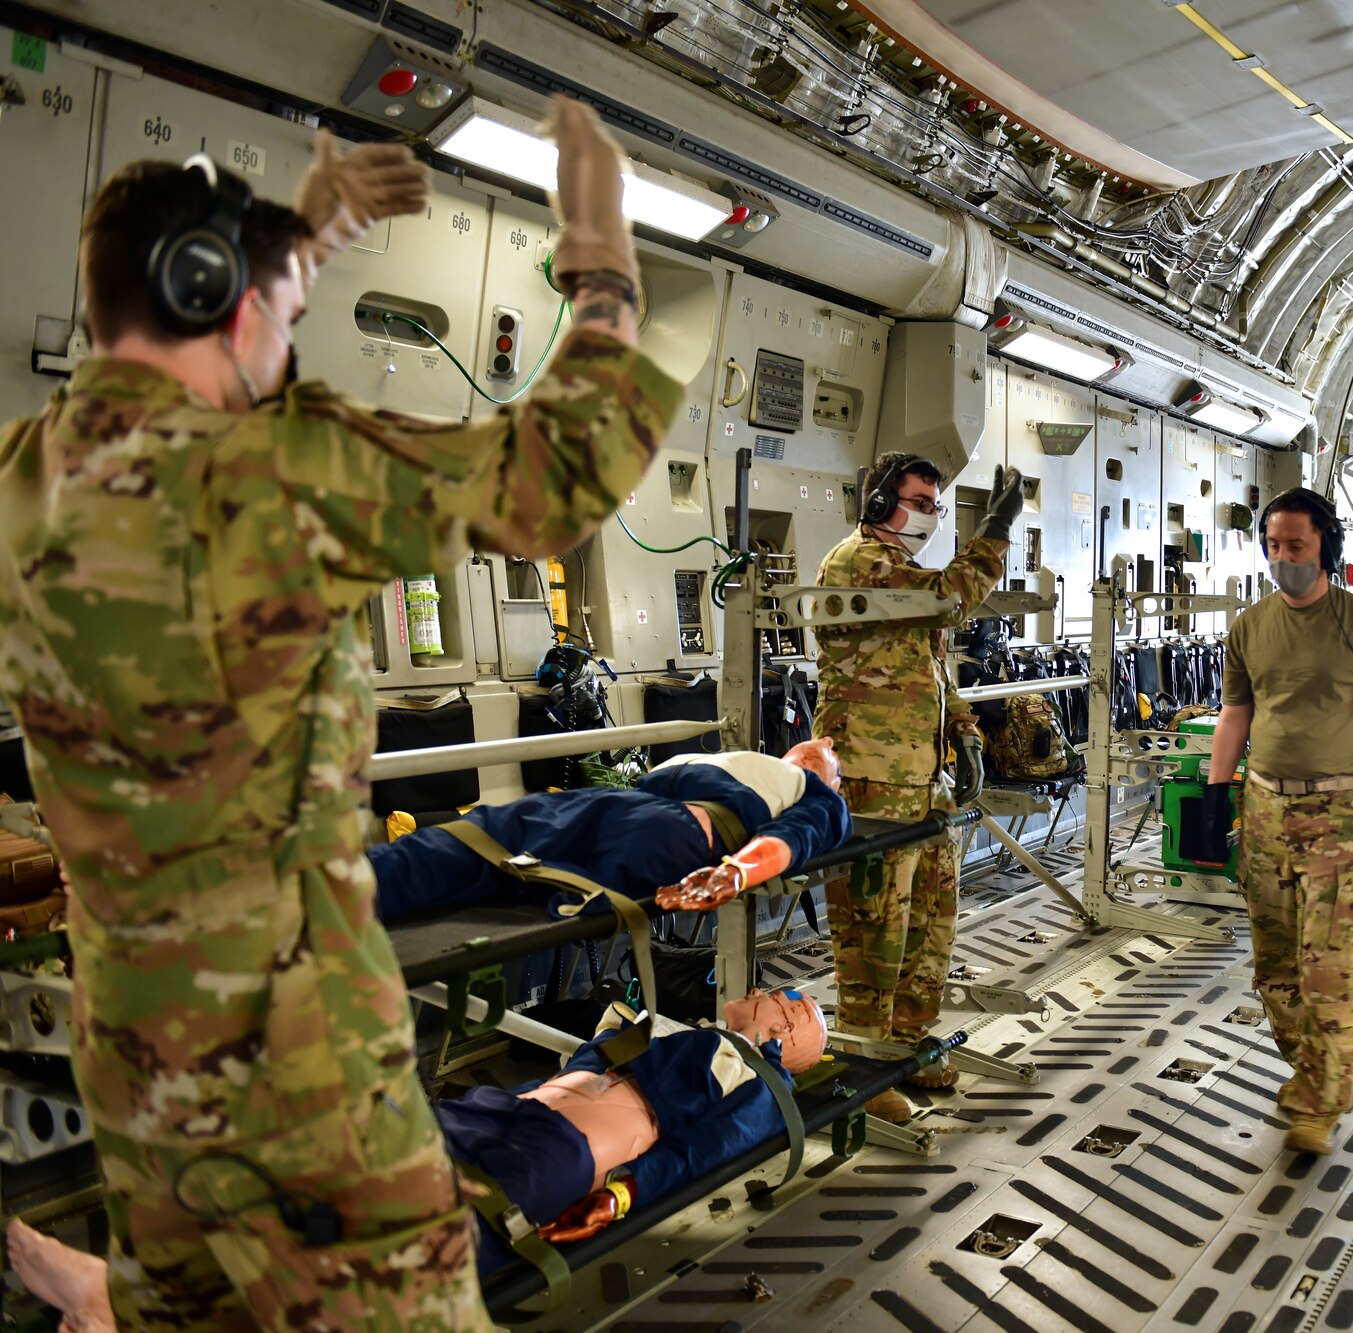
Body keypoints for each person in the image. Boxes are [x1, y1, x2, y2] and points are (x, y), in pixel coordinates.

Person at [0, 98, 679, 1328]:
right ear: (223, 297)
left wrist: (292, 247)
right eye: (291, 316)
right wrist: (603, 256)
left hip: (140, 1063)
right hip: (297, 1075)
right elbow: (558, 473)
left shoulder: (26, 474)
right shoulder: (269, 469)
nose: (287, 348)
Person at [6, 989, 827, 1330]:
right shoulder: (678, 1030)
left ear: (784, 1042)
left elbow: (698, 1153)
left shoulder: (756, 1083)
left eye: (791, 1006)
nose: (773, 995)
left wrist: (621, 1198)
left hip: (556, 1159)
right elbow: (585, 1059)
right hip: (506, 1112)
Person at [1204, 489, 1353, 1156]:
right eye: (1273, 544)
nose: (1283, 557)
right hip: (1264, 807)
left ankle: (1319, 1101)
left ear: (1327, 545)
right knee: (1275, 972)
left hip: (1339, 813)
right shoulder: (1249, 626)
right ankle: (1316, 1068)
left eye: (1296, 545)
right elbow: (1236, 715)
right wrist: (1217, 794)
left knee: (1325, 968)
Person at [813, 453, 1022, 1124]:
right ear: (879, 504)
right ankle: (864, 1072)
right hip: (871, 781)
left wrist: (960, 725)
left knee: (929, 923)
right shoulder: (858, 563)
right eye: (922, 503)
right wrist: (994, 528)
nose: (931, 516)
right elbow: (949, 600)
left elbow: (927, 655)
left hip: (919, 778)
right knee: (876, 928)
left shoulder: (901, 574)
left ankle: (907, 1046)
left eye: (937, 505)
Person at [369, 739, 850, 921]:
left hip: (673, 830)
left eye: (835, 762)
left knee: (489, 844)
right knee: (479, 840)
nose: (826, 742)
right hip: (623, 809)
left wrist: (734, 874)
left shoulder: (815, 794)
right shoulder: (739, 757)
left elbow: (795, 837)